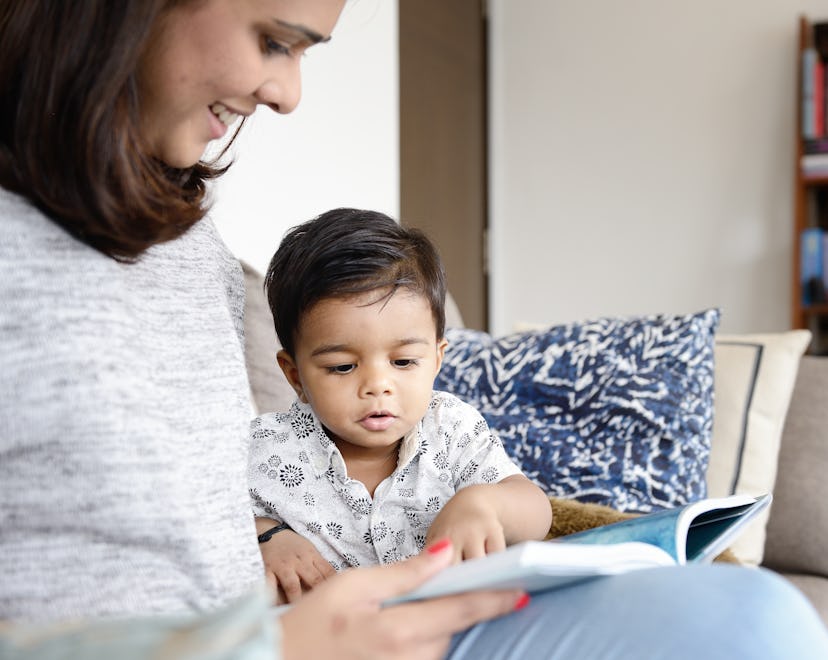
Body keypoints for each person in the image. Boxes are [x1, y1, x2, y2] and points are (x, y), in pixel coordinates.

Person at [0, 1, 826, 659]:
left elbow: (196, 506)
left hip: (386, 632)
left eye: (404, 358)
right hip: (277, 643)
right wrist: (273, 575)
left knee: (756, 619)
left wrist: (483, 510)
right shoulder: (279, 444)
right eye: (272, 40)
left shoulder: (191, 241)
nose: (289, 96)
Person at [248, 208, 552, 598]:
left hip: (450, 624)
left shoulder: (452, 427)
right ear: (295, 376)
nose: (378, 386)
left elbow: (538, 511)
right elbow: (202, 520)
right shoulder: (265, 447)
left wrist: (485, 504)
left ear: (437, 359)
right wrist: (267, 536)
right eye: (342, 367)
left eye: (404, 362)